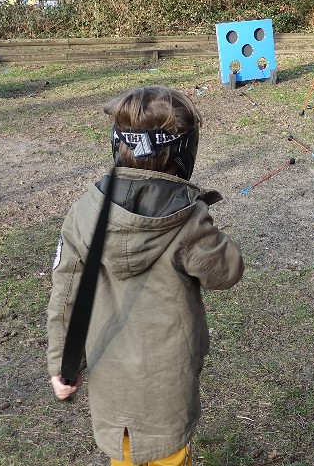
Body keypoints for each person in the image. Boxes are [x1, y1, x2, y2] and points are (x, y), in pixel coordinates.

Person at [47, 85, 244, 466]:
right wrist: (204, 221)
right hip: (167, 383)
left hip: (110, 376)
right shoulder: (188, 220)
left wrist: (61, 363)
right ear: (185, 150)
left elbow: (65, 293)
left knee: (125, 456)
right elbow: (227, 271)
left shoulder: (84, 211)